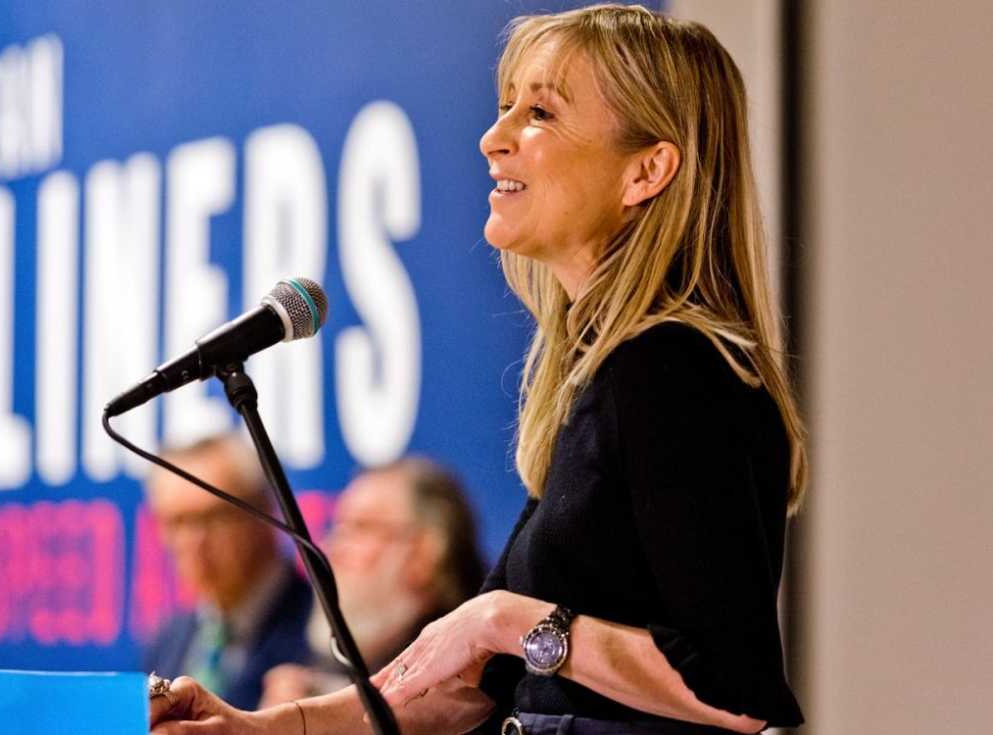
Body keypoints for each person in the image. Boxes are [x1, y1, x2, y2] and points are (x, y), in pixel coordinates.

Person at [148, 5, 807, 734]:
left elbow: (731, 689)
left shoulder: (674, 368)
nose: (493, 139)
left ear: (645, 169)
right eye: (504, 109)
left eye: (540, 113)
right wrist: (261, 726)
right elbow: (464, 686)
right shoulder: (607, 374)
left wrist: (502, 618)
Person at [258, 458, 487, 708]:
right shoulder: (325, 662)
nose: (332, 549)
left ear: (424, 555)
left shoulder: (464, 676)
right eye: (337, 528)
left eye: (360, 528)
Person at [142, 433, 313, 710]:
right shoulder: (167, 641)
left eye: (214, 517)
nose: (195, 541)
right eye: (177, 522)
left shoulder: (321, 631)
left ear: (263, 511)